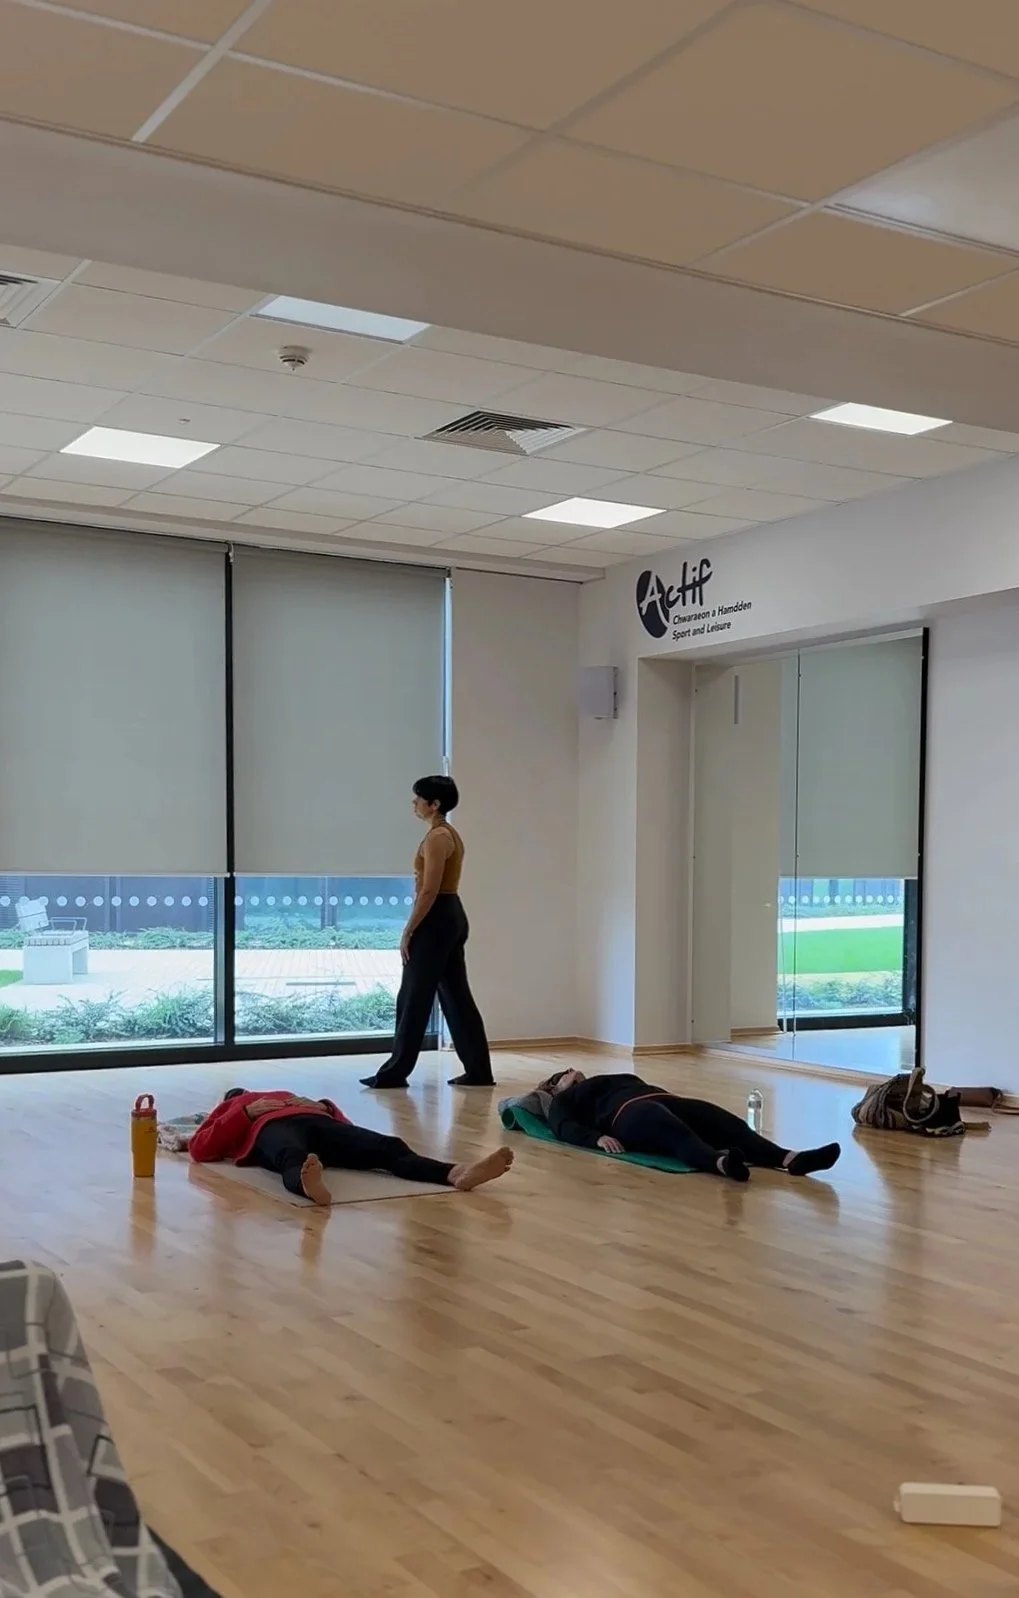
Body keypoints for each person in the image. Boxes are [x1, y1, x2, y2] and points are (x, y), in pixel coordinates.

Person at [361, 775, 494, 1090]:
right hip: (449, 917)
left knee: (413, 996)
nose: (414, 804)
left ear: (434, 804)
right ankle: (478, 1071)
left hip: (437, 918)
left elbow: (429, 889)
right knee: (456, 997)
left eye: (418, 799)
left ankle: (394, 1072)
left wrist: (409, 929)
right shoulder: (448, 835)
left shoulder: (438, 838)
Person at [189, 1087, 513, 1205]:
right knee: (293, 1156)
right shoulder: (237, 1107)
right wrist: (244, 1112)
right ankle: (310, 1186)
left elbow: (346, 1124)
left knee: (387, 1146)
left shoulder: (286, 1094)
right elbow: (201, 1147)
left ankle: (456, 1173)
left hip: (318, 1120)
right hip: (271, 1128)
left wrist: (323, 1106)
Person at [539, 1070, 840, 1183]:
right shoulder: (563, 1100)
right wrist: (597, 1138)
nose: (571, 1072)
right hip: (630, 1114)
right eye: (561, 1076)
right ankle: (721, 1163)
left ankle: (791, 1159)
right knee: (675, 1135)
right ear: (554, 1087)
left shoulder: (608, 1077)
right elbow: (563, 1127)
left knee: (729, 1124)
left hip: (670, 1099)